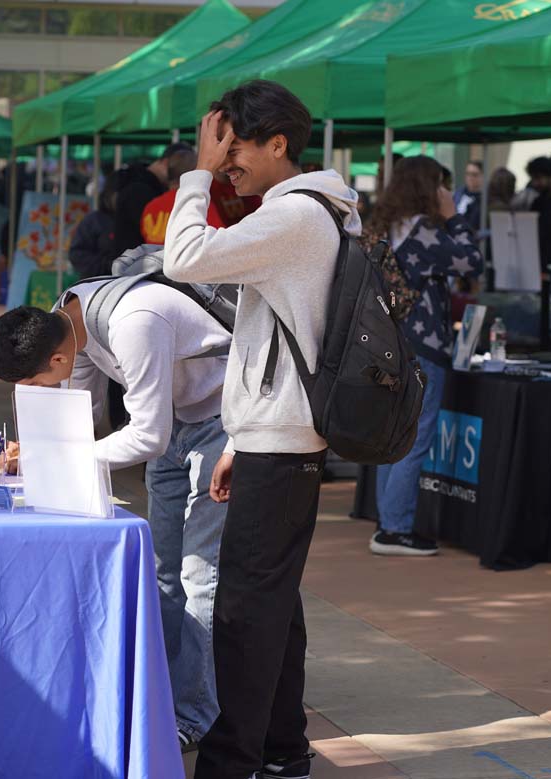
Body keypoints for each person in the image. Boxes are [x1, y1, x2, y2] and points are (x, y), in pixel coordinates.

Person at [163, 79, 360, 779]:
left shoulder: (295, 216)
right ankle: (282, 749)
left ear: (279, 144)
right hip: (276, 439)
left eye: (234, 145)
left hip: (282, 440)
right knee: (274, 604)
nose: (225, 161)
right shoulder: (313, 211)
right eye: (219, 147)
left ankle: (231, 761)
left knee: (245, 612)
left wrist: (195, 173)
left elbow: (182, 258)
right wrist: (240, 440)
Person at [0, 277, 231, 753]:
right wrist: (38, 451)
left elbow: (147, 437)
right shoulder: (68, 318)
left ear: (55, 361)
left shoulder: (134, 323)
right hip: (174, 418)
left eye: (33, 384)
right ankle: (161, 697)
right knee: (163, 572)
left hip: (219, 420)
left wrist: (50, 458)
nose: (36, 393)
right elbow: (85, 418)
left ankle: (194, 715)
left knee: (200, 575)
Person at [363, 157, 484, 557]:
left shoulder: (381, 229)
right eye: (441, 186)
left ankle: (387, 520)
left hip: (386, 345)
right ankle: (395, 528)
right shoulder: (426, 233)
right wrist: (454, 217)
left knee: (393, 437)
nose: (445, 193)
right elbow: (472, 262)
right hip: (424, 348)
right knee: (414, 437)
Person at [111, 143, 193, 257]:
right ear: (166, 163)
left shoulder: (137, 181)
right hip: (136, 261)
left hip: (131, 261)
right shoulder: (142, 191)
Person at [69, 169, 120, 279]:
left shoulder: (133, 222)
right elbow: (76, 254)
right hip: (96, 281)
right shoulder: (94, 221)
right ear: (109, 195)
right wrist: (106, 265)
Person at [453, 160, 483, 232]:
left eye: (474, 175)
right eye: (468, 174)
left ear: (482, 176)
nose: (470, 177)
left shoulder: (484, 199)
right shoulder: (458, 193)